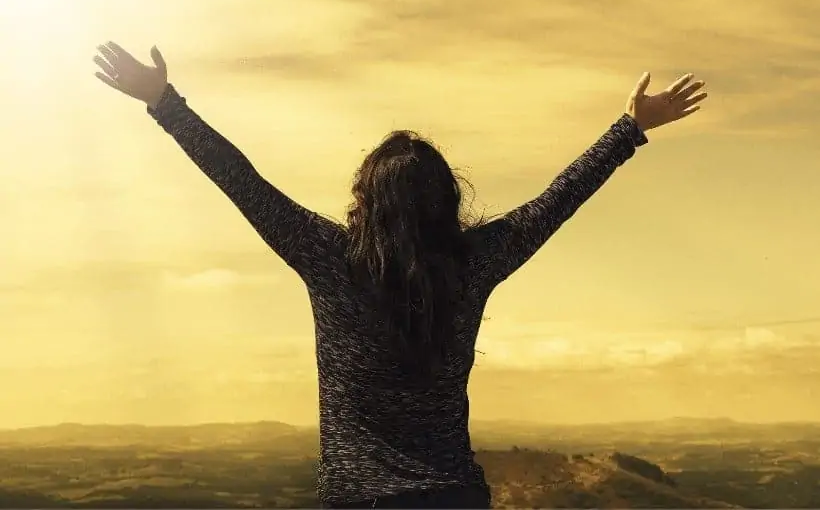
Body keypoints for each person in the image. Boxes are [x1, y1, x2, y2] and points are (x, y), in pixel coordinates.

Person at [92, 42, 707, 509]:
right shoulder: (475, 261)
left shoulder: (329, 258)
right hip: (454, 496)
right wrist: (628, 129)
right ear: (445, 199)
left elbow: (243, 182)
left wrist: (164, 103)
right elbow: (555, 200)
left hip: (359, 499)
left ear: (365, 198)